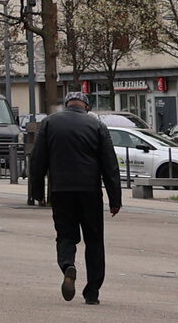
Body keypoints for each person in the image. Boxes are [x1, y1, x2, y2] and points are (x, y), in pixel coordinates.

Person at [27, 93, 122, 305]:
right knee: (94, 240)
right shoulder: (97, 126)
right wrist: (115, 199)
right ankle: (92, 292)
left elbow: (37, 160)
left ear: (67, 105)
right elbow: (110, 165)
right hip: (90, 191)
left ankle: (68, 265)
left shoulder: (50, 123)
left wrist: (37, 193)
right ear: (86, 107)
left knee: (65, 235)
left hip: (61, 190)